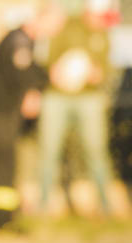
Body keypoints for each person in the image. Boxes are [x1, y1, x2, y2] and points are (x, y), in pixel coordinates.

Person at [0, 5, 59, 227]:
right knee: (7, 165)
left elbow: (30, 69)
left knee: (0, 164)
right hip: (3, 111)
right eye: (53, 25)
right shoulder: (20, 40)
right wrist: (37, 87)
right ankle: (4, 219)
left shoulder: (22, 39)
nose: (53, 31)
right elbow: (22, 73)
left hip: (4, 110)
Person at [39, 0, 114, 214]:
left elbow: (105, 70)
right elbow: (49, 59)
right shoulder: (66, 26)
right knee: (49, 151)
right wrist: (57, 72)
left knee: (95, 151)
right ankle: (43, 205)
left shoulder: (103, 34)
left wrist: (95, 74)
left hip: (89, 98)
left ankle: (105, 205)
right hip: (57, 96)